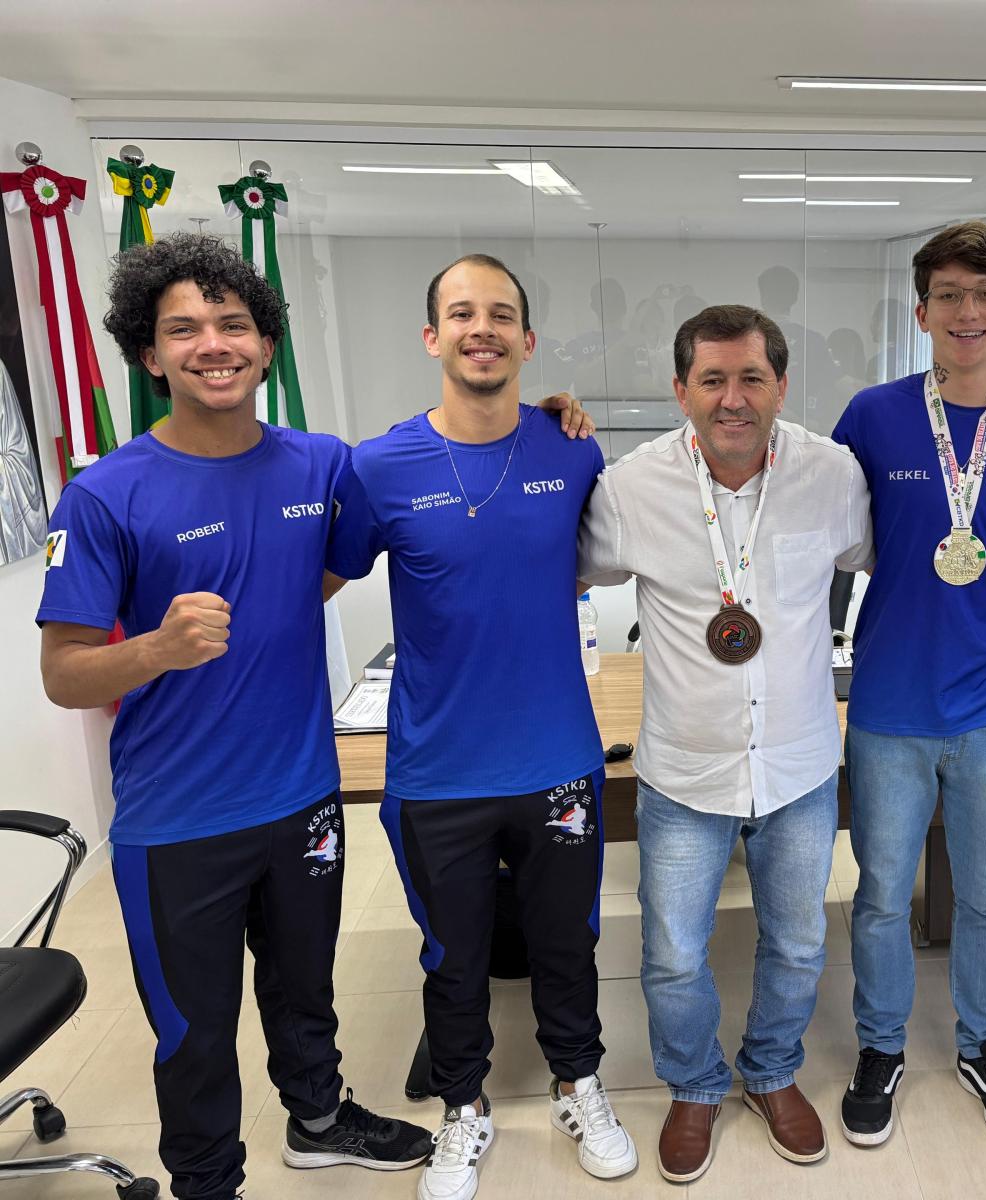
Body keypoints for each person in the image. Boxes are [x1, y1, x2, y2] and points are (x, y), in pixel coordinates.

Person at [36, 233, 432, 1200]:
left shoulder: (322, 464)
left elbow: (358, 541)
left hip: (301, 799)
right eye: (184, 328)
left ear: (265, 344)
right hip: (179, 826)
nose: (213, 343)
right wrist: (156, 651)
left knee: (307, 993)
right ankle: (207, 1182)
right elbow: (63, 675)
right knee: (195, 1030)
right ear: (149, 354)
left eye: (233, 323)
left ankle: (321, 1120)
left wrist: (547, 419)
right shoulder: (103, 495)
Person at [328, 253, 635, 1200]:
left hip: (556, 762)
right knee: (451, 955)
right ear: (432, 337)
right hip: (437, 772)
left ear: (527, 341)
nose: (482, 328)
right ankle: (462, 1108)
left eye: (501, 314)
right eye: (462, 313)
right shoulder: (377, 467)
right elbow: (315, 583)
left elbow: (607, 558)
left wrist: (571, 409)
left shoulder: (571, 446)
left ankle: (580, 1083)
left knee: (566, 945)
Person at [578, 304, 872, 1183]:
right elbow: (563, 570)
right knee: (671, 951)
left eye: (751, 378)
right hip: (683, 765)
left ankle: (772, 1070)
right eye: (712, 380)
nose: (732, 398)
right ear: (681, 391)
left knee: (799, 943)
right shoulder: (632, 488)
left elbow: (872, 563)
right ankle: (697, 1084)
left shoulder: (834, 475)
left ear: (781, 385)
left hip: (799, 764)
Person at [830, 221, 986, 1147]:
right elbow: (807, 514)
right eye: (948, 295)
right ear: (922, 310)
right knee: (883, 894)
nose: (966, 312)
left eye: (984, 296)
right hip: (891, 703)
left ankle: (982, 1042)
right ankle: (880, 1046)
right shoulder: (872, 415)